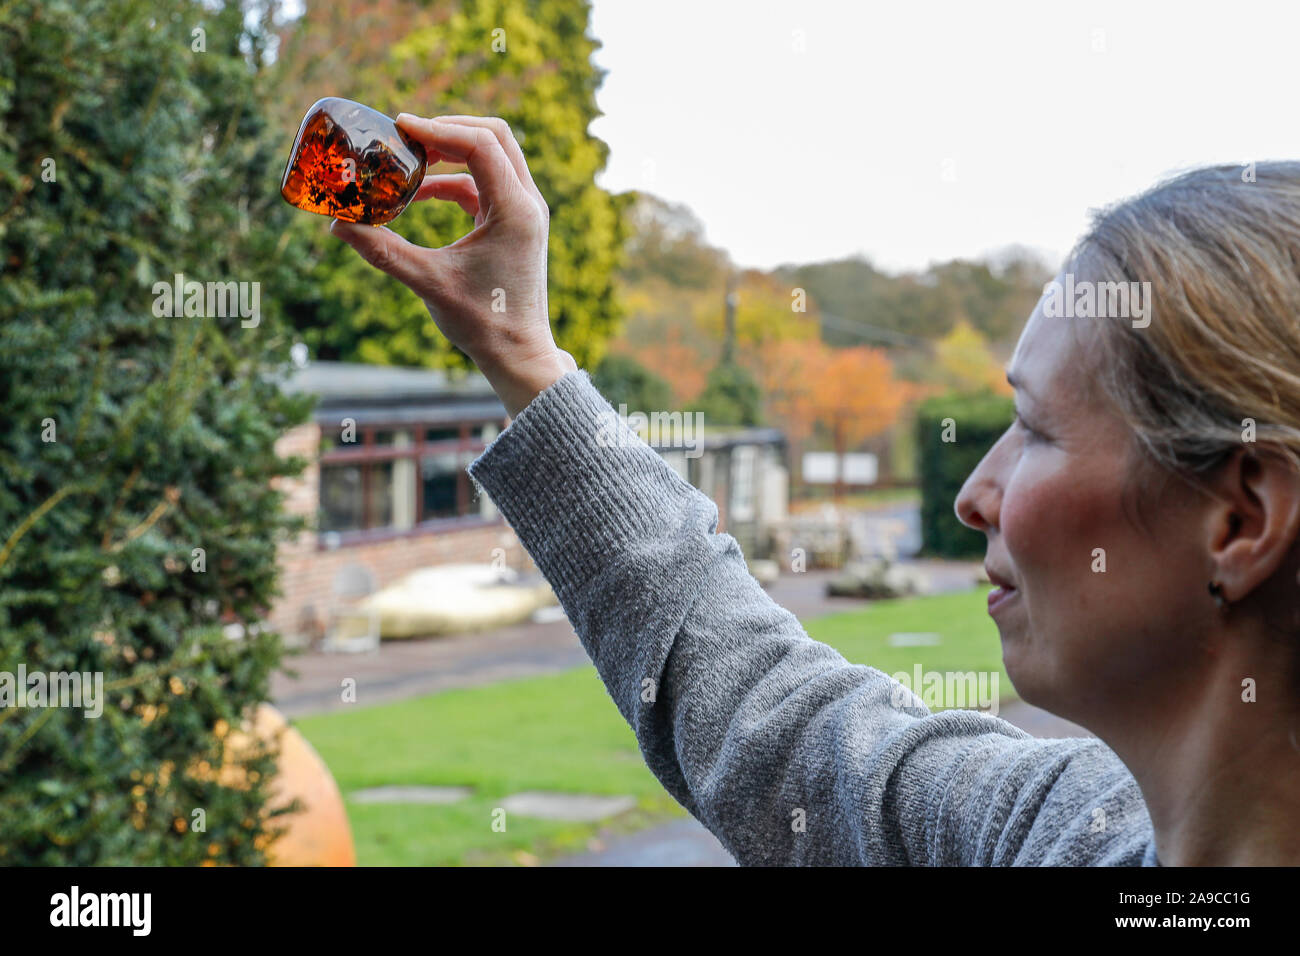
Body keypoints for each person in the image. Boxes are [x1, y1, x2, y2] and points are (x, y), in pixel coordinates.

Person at [332, 114, 1300, 866]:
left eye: (1036, 428)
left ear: (1241, 517)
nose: (973, 493)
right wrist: (521, 354)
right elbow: (776, 723)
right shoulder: (1056, 828)